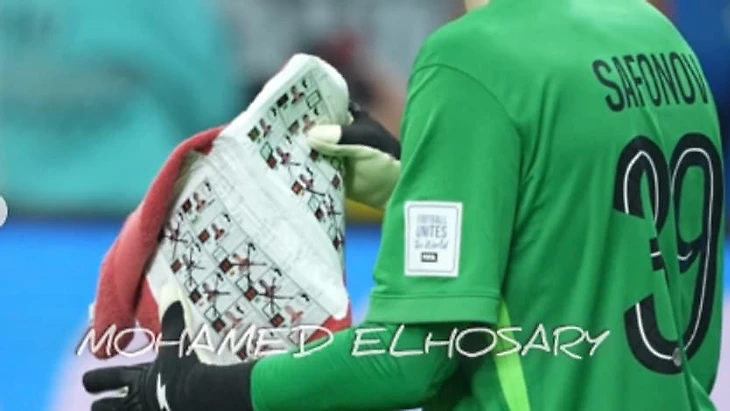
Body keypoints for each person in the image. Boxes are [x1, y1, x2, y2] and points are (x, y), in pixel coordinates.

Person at [82, 0, 725, 409]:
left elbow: (407, 359)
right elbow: (587, 235)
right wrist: (414, 184)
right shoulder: (657, 37)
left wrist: (204, 391)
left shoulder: (472, 59)